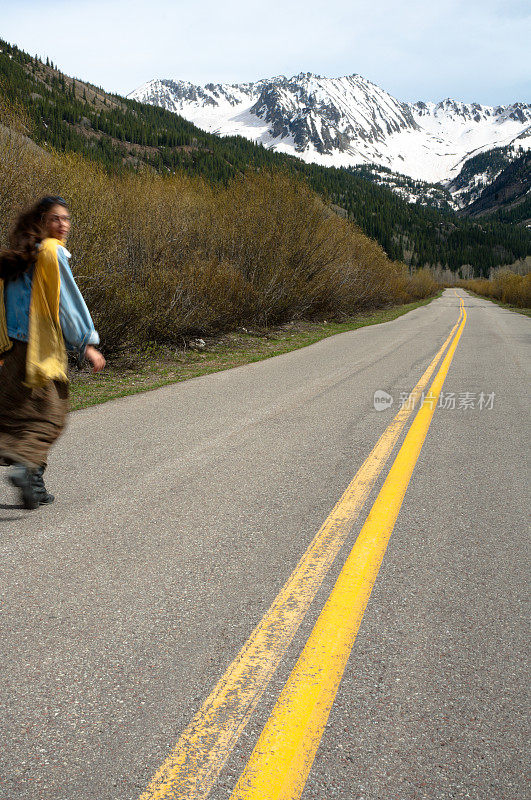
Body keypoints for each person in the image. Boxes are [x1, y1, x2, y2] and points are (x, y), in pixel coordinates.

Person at [0, 195, 105, 509]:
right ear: (41, 221)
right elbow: (67, 303)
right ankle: (25, 466)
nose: (63, 225)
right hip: (40, 349)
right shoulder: (50, 253)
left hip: (13, 348)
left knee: (16, 413)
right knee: (51, 417)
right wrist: (86, 342)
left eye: (67, 219)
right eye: (55, 218)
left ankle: (33, 485)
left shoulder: (20, 255)